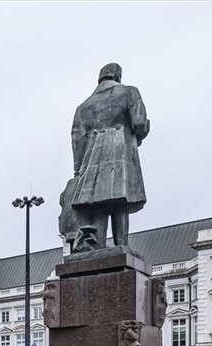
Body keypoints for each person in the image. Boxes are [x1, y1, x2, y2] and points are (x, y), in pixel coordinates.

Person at [68, 62, 150, 252]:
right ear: (118, 76)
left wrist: (78, 167)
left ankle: (98, 246)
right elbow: (138, 122)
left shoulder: (83, 107)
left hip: (92, 155)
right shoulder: (129, 92)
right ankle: (121, 245)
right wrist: (144, 129)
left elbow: (76, 138)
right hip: (118, 149)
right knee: (119, 199)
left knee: (97, 202)